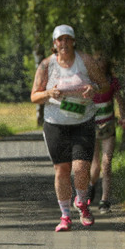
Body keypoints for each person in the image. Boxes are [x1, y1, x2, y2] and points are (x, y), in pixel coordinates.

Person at [29, 24, 108, 232]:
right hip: (56, 124)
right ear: (54, 44)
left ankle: (82, 203)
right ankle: (65, 216)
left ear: (73, 41)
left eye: (67, 39)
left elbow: (105, 84)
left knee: (81, 168)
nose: (63, 43)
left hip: (83, 122)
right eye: (59, 40)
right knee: (62, 170)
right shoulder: (47, 65)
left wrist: (94, 88)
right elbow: (34, 96)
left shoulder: (86, 61)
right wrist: (48, 94)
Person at [88, 56, 125, 213]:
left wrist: (123, 118)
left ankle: (105, 201)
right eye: (95, 60)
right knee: (95, 166)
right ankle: (92, 186)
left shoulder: (112, 81)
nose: (98, 63)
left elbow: (120, 101)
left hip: (108, 126)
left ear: (106, 62)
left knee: (107, 163)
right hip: (91, 126)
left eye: (100, 60)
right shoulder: (88, 81)